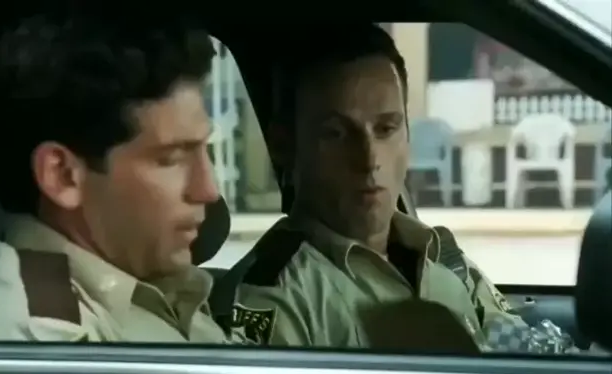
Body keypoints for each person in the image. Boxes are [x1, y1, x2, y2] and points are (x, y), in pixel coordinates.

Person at [236, 25, 583, 354]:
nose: (369, 159)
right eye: (336, 134)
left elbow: (517, 349)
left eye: (386, 129)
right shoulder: (278, 295)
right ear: (284, 145)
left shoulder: (439, 254)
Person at [0, 12, 245, 343]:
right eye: (171, 159)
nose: (208, 190)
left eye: (204, 151)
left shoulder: (154, 289)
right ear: (63, 176)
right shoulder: (27, 331)